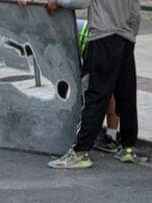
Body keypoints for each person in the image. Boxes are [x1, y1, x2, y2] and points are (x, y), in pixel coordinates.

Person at [41, 0, 141, 168]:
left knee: (94, 95)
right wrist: (129, 33)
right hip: (126, 39)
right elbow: (136, 13)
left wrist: (57, 1)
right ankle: (128, 148)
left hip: (102, 37)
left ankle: (80, 152)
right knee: (126, 94)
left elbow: (79, 1)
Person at [75, 18, 121, 154]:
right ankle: (111, 137)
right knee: (110, 92)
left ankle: (86, 139)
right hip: (112, 39)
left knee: (93, 95)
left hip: (95, 45)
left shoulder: (55, 32)